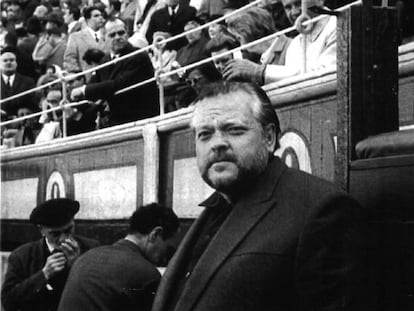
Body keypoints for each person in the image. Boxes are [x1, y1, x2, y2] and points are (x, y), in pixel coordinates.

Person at [151, 81, 371, 311]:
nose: (217, 144)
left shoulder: (322, 209)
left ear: (269, 138)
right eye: (205, 135)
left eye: (234, 130)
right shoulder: (215, 208)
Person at [57, 203, 179, 311]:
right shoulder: (147, 273)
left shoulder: (87, 256)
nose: (165, 257)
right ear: (155, 234)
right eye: (168, 249)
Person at [1, 198, 100, 311]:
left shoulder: (91, 248)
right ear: (41, 230)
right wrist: (43, 275)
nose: (63, 239)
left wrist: (77, 266)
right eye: (55, 234)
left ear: (73, 222)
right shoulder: (22, 256)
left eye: (68, 230)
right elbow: (8, 302)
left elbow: (100, 295)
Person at [223, 0, 336, 84]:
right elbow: (292, 86)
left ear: (319, 1)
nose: (295, 12)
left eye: (298, 3)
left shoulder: (336, 26)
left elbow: (324, 77)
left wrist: (260, 72)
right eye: (288, 7)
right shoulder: (296, 43)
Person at [70, 18, 158, 125]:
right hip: (117, 119)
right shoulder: (105, 61)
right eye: (112, 35)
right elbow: (94, 85)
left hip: (141, 117)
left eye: (121, 33)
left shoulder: (138, 56)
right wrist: (74, 106)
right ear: (104, 37)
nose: (117, 37)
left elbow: (118, 84)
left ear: (127, 34)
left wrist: (84, 90)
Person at [63, 6, 107, 80]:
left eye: (101, 15)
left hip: (107, 78)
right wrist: (79, 77)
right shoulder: (75, 37)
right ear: (87, 19)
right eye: (96, 16)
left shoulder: (109, 35)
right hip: (87, 79)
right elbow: (69, 59)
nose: (100, 18)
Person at [0, 46, 35, 118]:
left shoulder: (28, 82)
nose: (9, 62)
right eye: (5, 60)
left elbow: (32, 104)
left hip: (20, 121)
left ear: (16, 63)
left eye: (12, 60)